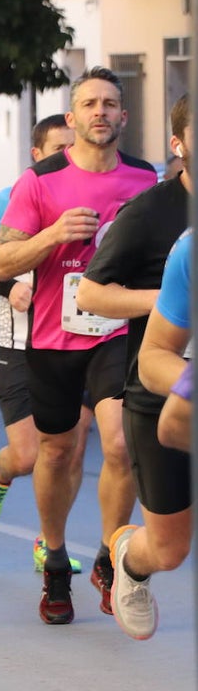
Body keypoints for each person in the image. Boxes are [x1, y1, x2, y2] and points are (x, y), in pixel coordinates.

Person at [0, 67, 157, 625]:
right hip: (55, 335)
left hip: (117, 332)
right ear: (72, 117)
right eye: (90, 104)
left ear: (124, 116)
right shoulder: (39, 181)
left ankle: (111, 559)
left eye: (111, 103)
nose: (101, 112)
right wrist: (54, 234)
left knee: (118, 443)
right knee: (57, 452)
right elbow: (3, 262)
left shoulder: (144, 178)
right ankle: (56, 558)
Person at [76, 96, 191, 640]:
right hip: (158, 391)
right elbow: (92, 294)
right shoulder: (150, 214)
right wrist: (171, 301)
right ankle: (131, 558)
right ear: (179, 145)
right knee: (170, 548)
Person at [0, 115, 89, 574]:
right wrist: (4, 285)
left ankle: (48, 540)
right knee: (30, 455)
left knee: (71, 448)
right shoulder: (11, 198)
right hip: (22, 344)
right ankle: (0, 472)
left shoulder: (96, 195)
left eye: (74, 148)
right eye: (58, 149)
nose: (68, 158)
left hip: (82, 340)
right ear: (36, 155)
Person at [112, 233, 193, 639]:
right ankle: (132, 562)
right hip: (169, 401)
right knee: (169, 549)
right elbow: (154, 355)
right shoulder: (189, 247)